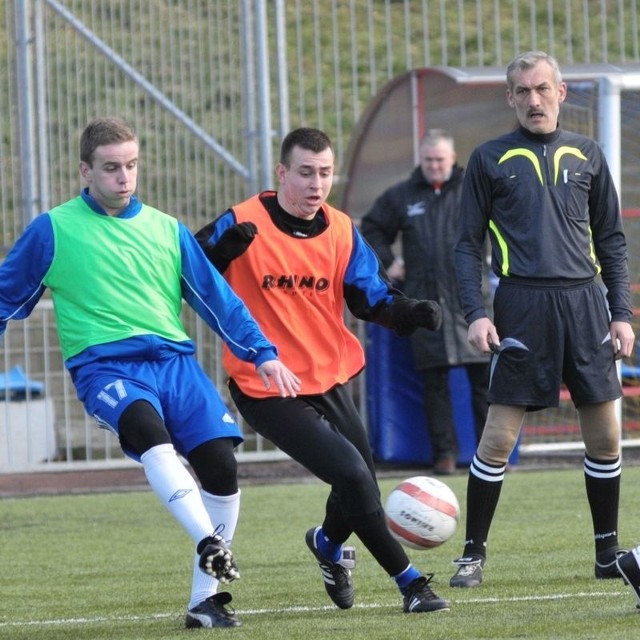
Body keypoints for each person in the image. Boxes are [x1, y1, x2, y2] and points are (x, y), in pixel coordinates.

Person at [0, 117, 300, 628]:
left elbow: (218, 301)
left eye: (131, 165)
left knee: (222, 468)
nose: (124, 176)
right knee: (149, 435)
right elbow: (6, 296)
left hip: (176, 365)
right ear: (85, 171)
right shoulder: (53, 229)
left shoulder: (167, 230)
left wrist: (261, 351)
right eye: (111, 167)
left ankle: (204, 602)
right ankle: (209, 541)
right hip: (106, 366)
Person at [195, 127, 450, 614]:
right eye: (306, 173)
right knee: (353, 474)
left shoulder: (339, 228)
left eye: (325, 173)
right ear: (282, 173)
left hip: (327, 376)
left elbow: (369, 296)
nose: (316, 184)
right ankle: (411, 584)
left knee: (360, 482)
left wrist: (408, 312)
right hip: (265, 384)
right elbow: (186, 270)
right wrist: (217, 254)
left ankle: (328, 546)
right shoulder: (244, 221)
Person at [450, 51, 635, 588]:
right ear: (510, 98)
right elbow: (466, 245)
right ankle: (472, 555)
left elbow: (613, 242)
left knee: (605, 438)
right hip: (521, 306)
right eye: (523, 91)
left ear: (562, 92)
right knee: (498, 440)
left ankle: (606, 554)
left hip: (585, 305)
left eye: (542, 88)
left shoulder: (589, 155)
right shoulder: (488, 158)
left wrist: (620, 313)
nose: (534, 99)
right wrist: (476, 313)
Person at [361, 129, 492, 476]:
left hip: (473, 302)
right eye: (429, 159)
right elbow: (371, 228)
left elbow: (507, 225)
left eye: (441, 159)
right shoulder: (402, 196)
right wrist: (389, 261)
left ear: (452, 160)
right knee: (434, 386)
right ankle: (444, 455)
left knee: (485, 382)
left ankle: (491, 454)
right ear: (422, 161)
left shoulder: (473, 190)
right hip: (425, 303)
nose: (435, 165)